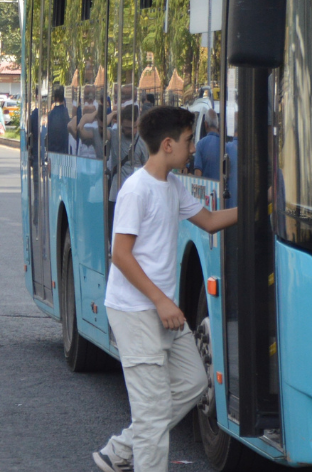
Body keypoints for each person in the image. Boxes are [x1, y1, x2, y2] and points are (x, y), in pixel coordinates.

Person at [93, 107, 237, 472]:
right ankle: (130, 453)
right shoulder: (136, 190)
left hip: (160, 309)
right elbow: (120, 255)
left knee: (192, 382)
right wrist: (161, 301)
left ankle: (120, 449)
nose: (194, 149)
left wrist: (261, 204)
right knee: (153, 414)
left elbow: (209, 221)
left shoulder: (172, 185)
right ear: (169, 144)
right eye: (190, 141)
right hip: (136, 311)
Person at [47, 86, 69, 153]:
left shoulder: (52, 113)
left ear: (55, 99)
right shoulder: (65, 112)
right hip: (63, 149)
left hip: (52, 150)